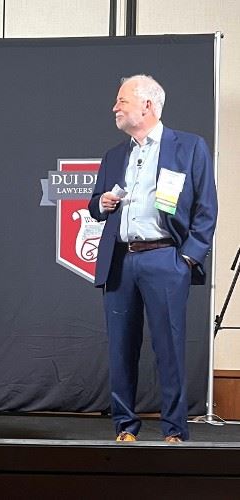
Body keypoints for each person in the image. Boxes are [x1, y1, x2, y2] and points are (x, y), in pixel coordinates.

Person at [88, 74, 217, 443]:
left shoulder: (189, 147)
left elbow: (206, 210)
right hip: (120, 261)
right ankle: (124, 428)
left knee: (170, 348)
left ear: (147, 105)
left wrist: (187, 260)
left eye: (122, 100)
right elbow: (95, 205)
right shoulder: (115, 155)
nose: (115, 107)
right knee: (120, 349)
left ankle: (175, 430)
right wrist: (102, 203)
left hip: (165, 258)